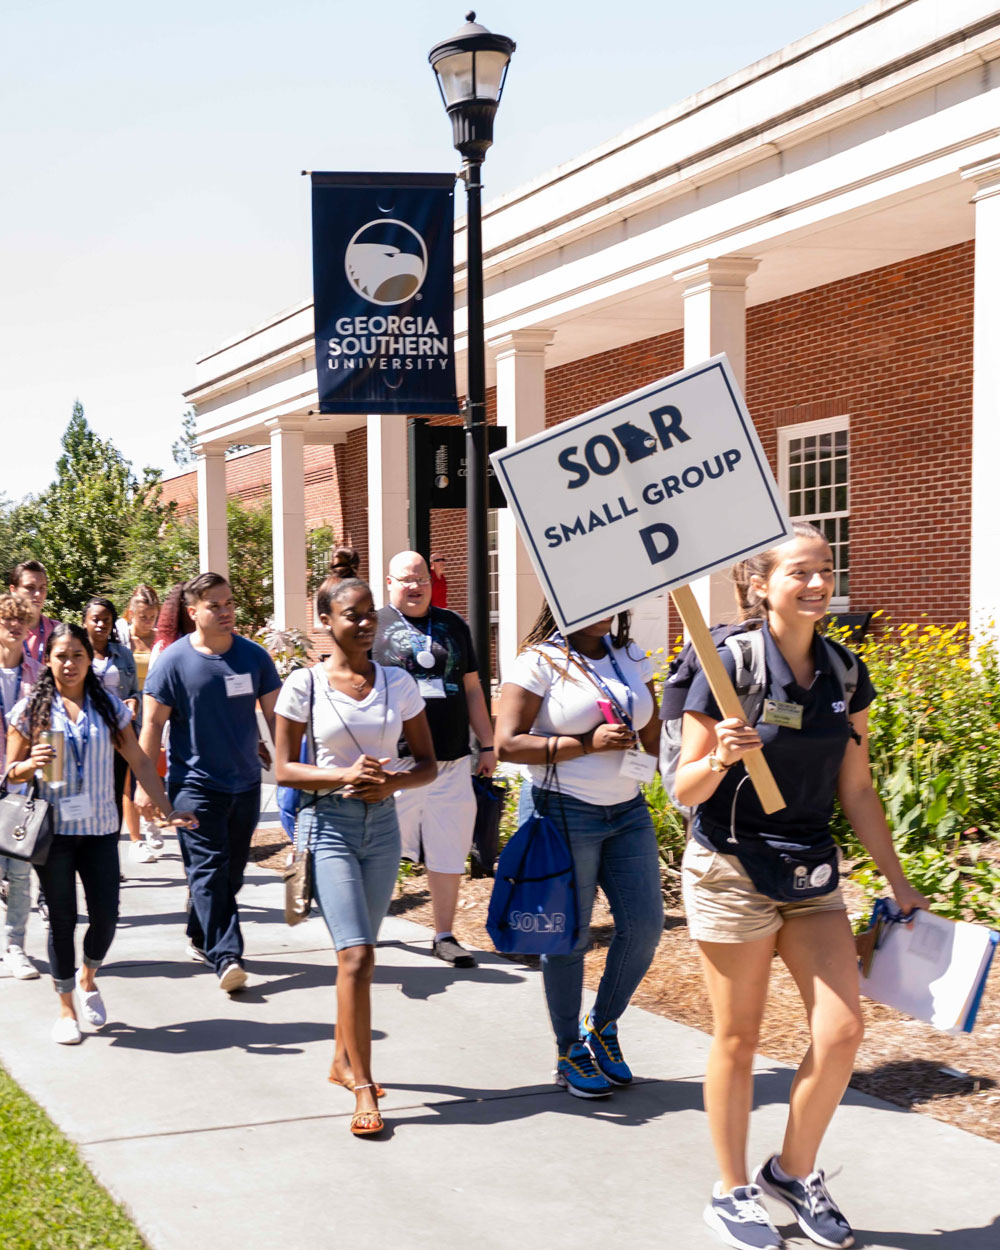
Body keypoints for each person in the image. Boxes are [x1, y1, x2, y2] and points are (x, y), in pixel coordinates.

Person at [675, 522, 929, 1250]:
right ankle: (730, 1191)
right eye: (800, 572)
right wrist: (722, 754)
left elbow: (858, 788)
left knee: (843, 1030)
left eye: (825, 569)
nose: (818, 584)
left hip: (810, 869)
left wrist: (899, 881)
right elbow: (682, 788)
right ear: (761, 584)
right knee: (740, 1035)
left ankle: (794, 1170)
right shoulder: (726, 662)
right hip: (730, 867)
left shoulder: (845, 672)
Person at [275, 575, 436, 1136]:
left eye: (372, 613)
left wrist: (391, 786)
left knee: (360, 958)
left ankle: (342, 1060)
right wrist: (343, 774)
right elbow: (284, 769)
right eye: (352, 614)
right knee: (357, 957)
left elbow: (427, 763)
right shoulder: (304, 685)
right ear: (326, 621)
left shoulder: (398, 683)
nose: (366, 623)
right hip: (330, 824)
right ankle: (364, 1086)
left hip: (383, 829)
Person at [495, 602, 663, 1098]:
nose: (602, 607)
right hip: (565, 810)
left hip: (627, 811)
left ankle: (602, 1025)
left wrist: (653, 758)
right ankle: (569, 1051)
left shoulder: (629, 654)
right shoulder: (540, 660)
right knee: (570, 936)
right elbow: (507, 744)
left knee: (646, 926)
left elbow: (651, 728)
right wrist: (587, 744)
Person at [5, 624, 195, 1044]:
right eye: (61, 656)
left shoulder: (109, 708)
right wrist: (30, 764)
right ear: (49, 661)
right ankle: (66, 1008)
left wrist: (167, 810)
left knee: (106, 918)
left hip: (99, 830)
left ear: (89, 660)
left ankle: (88, 976)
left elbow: (141, 762)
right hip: (52, 835)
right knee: (61, 922)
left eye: (77, 655)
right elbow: (9, 773)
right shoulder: (30, 711)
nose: (69, 664)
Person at [136, 573, 281, 993]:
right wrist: (148, 784)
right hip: (194, 786)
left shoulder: (254, 658)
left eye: (229, 603)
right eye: (214, 605)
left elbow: (278, 719)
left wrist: (294, 765)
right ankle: (227, 956)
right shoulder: (173, 662)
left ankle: (200, 935)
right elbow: (152, 724)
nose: (225, 612)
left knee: (230, 875)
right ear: (193, 611)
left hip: (245, 784)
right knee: (210, 870)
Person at [372, 550, 495, 968]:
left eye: (421, 577)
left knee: (449, 848)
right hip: (398, 763)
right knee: (383, 847)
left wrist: (488, 744)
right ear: (389, 582)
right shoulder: (373, 626)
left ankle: (444, 935)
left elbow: (473, 687)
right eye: (405, 579)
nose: (414, 586)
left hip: (453, 760)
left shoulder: (452, 625)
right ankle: (365, 929)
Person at [0, 593, 42, 980]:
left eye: (21, 621)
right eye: (7, 620)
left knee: (17, 873)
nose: (14, 626)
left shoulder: (36, 675)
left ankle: (15, 947)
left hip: (21, 787)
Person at [82, 598, 140, 844]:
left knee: (115, 795)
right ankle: (84, 851)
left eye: (106, 620)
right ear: (84, 622)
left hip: (119, 734)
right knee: (87, 794)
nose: (100, 624)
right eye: (95, 619)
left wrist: (135, 703)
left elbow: (134, 691)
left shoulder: (123, 654)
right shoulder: (77, 653)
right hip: (88, 735)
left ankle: (109, 856)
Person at [114, 585, 163, 862]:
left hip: (153, 716)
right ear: (131, 613)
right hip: (128, 714)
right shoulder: (121, 644)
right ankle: (135, 840)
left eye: (152, 616)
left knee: (151, 774)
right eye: (143, 616)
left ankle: (151, 823)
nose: (148, 622)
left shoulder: (160, 642)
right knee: (129, 778)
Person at [8, 560, 58, 664]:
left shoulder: (58, 631)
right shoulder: (3, 631)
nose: (38, 594)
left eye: (42, 588)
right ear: (13, 590)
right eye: (30, 588)